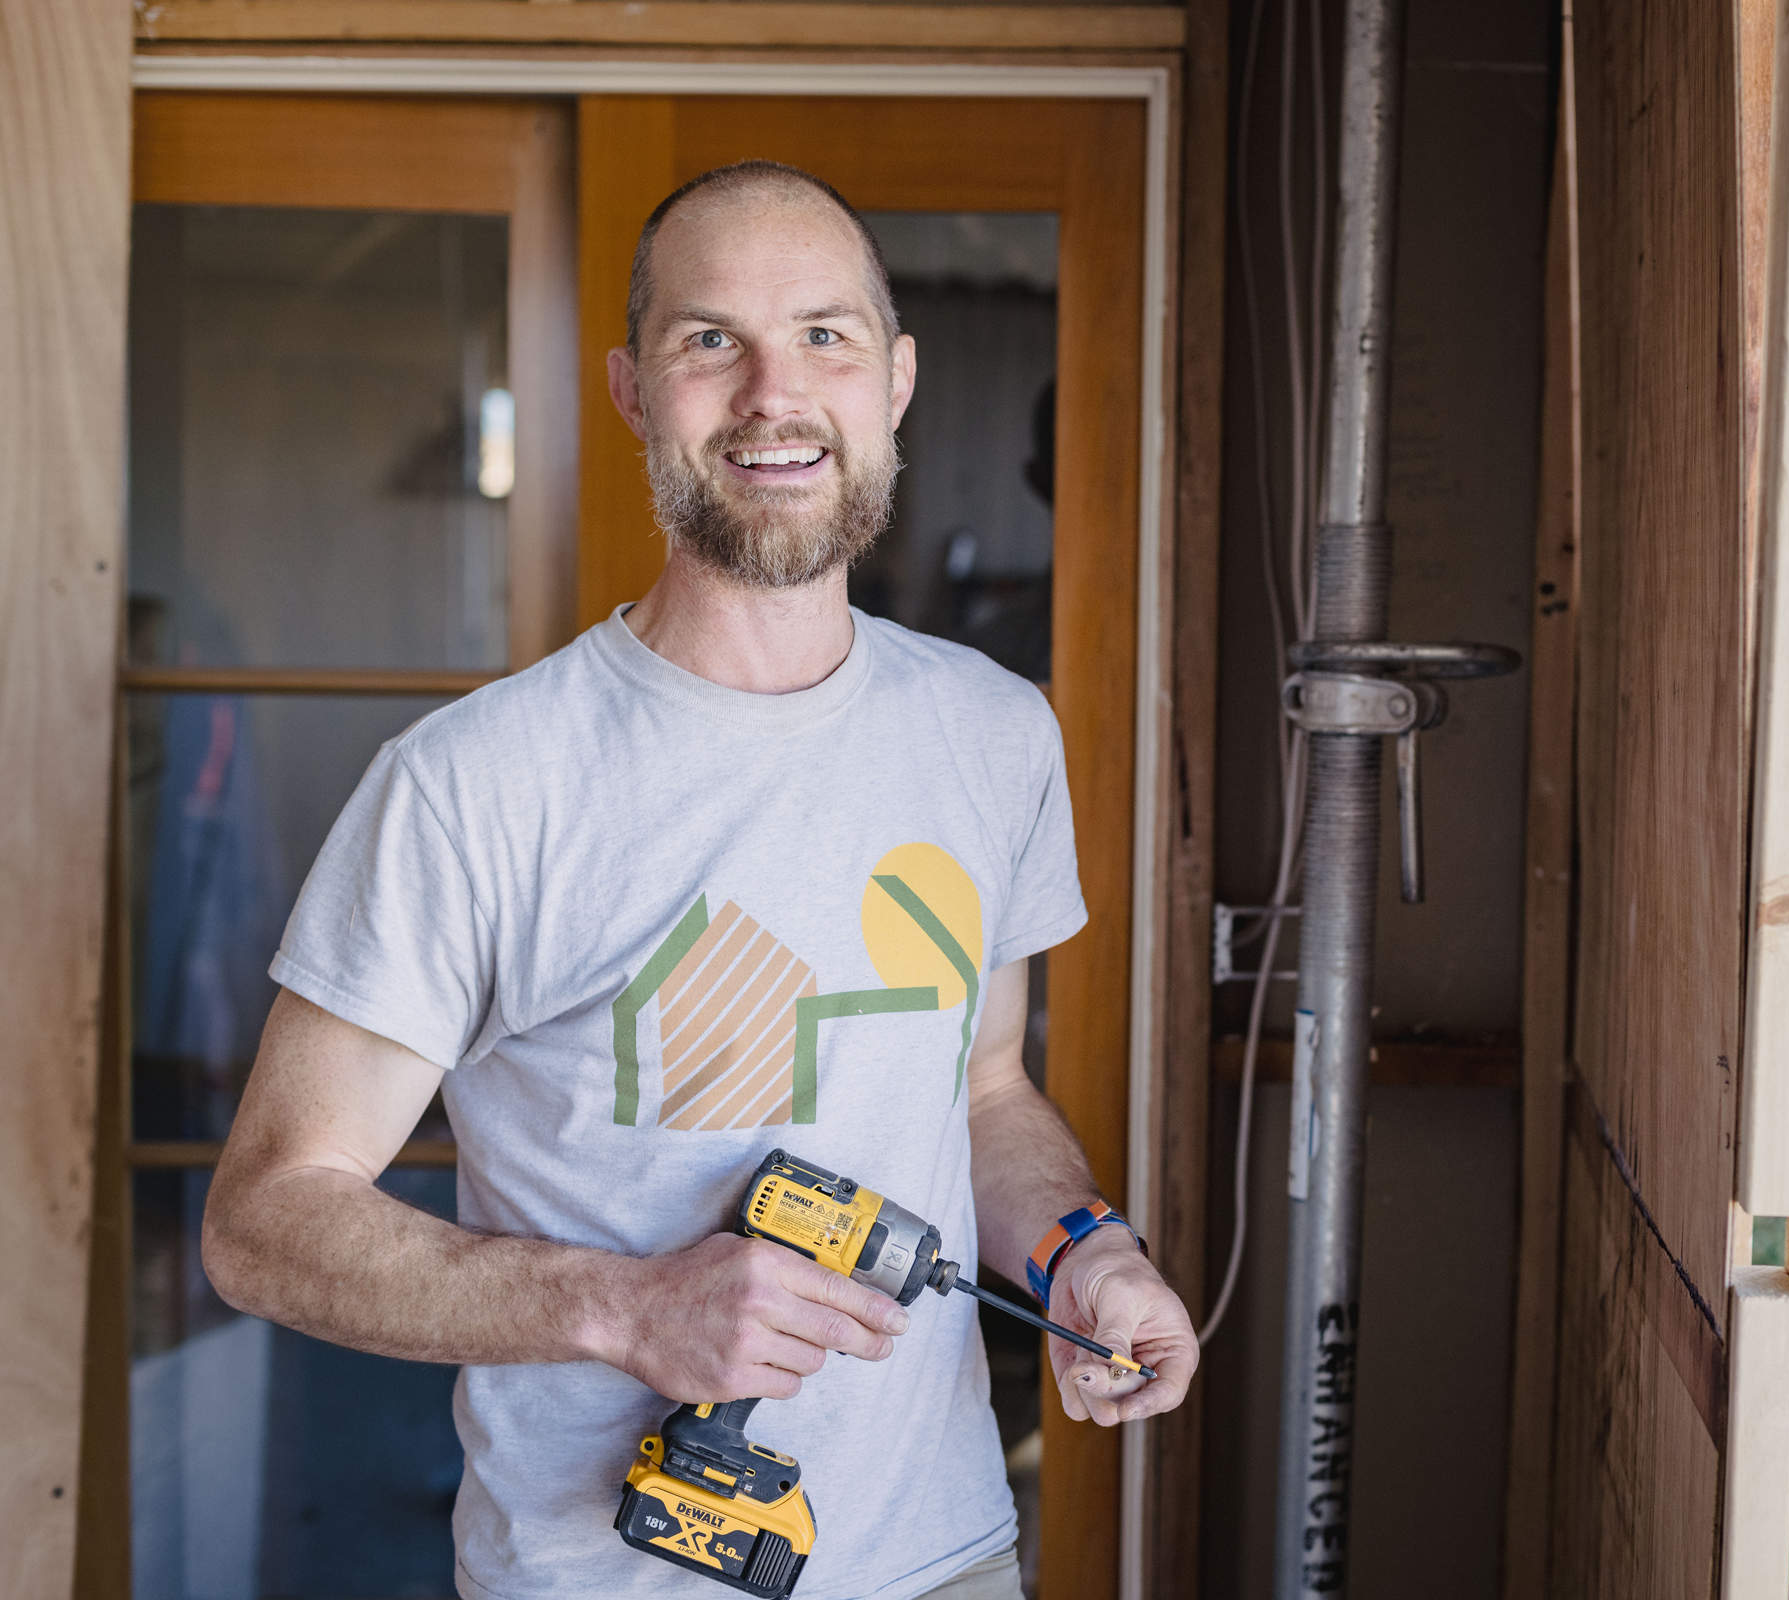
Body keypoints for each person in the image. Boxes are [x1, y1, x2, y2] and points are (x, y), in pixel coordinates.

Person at [201, 159, 1198, 1600]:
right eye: (709, 340)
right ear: (629, 388)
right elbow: (264, 1220)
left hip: (945, 1557)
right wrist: (624, 1310)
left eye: (825, 336)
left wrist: (1081, 1255)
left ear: (897, 378)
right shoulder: (477, 783)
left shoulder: (992, 731)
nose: (771, 394)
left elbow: (979, 1094)